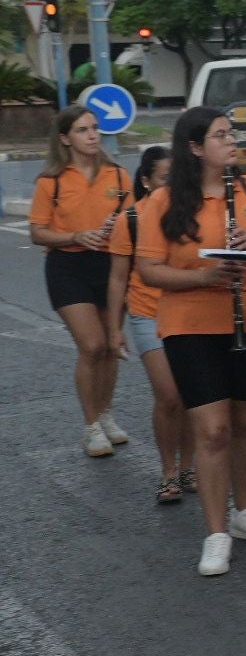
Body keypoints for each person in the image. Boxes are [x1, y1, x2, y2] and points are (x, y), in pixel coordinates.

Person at [136, 107, 246, 576]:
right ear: (195, 148)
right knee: (213, 430)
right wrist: (205, 275)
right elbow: (150, 270)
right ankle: (216, 532)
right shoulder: (163, 201)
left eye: (232, 133)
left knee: (245, 423)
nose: (232, 141)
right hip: (190, 326)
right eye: (221, 135)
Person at [30, 106, 131, 458]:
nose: (92, 135)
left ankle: (105, 413)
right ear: (65, 138)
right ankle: (91, 425)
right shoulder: (51, 181)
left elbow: (134, 221)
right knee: (91, 345)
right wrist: (75, 235)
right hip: (67, 266)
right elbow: (37, 232)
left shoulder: (118, 176)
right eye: (82, 130)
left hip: (110, 266)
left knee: (110, 346)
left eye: (95, 128)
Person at [107, 146, 196, 502]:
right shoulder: (130, 219)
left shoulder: (193, 214)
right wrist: (115, 328)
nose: (171, 186)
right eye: (163, 179)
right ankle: (168, 472)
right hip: (148, 315)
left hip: (191, 314)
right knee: (169, 394)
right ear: (145, 181)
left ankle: (189, 468)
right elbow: (117, 279)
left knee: (194, 395)